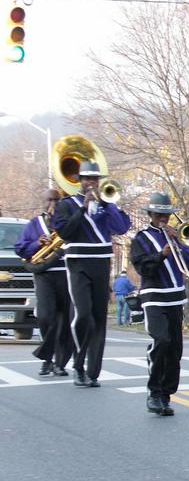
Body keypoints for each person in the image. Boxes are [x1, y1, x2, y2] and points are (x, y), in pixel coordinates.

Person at [51, 161, 131, 388]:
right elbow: (64, 232)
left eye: (95, 179)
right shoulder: (67, 205)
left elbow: (122, 228)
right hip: (77, 263)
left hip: (101, 263)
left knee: (98, 319)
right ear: (79, 180)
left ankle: (92, 371)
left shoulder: (106, 204)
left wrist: (109, 204)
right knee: (83, 314)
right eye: (87, 178)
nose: (91, 183)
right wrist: (82, 209)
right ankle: (77, 365)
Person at [129, 193, 189, 416]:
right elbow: (143, 268)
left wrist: (179, 242)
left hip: (175, 297)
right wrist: (161, 255)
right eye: (159, 215)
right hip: (153, 296)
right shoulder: (141, 238)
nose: (163, 219)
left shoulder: (175, 236)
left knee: (174, 348)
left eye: (166, 215)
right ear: (151, 215)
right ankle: (154, 392)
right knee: (160, 340)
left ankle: (166, 394)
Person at [13, 188, 73, 377]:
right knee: (47, 317)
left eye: (56, 200)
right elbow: (20, 249)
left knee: (66, 321)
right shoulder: (34, 224)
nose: (53, 204)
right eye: (49, 200)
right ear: (43, 202)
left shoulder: (67, 223)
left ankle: (60, 363)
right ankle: (48, 358)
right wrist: (37, 244)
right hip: (45, 274)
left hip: (67, 274)